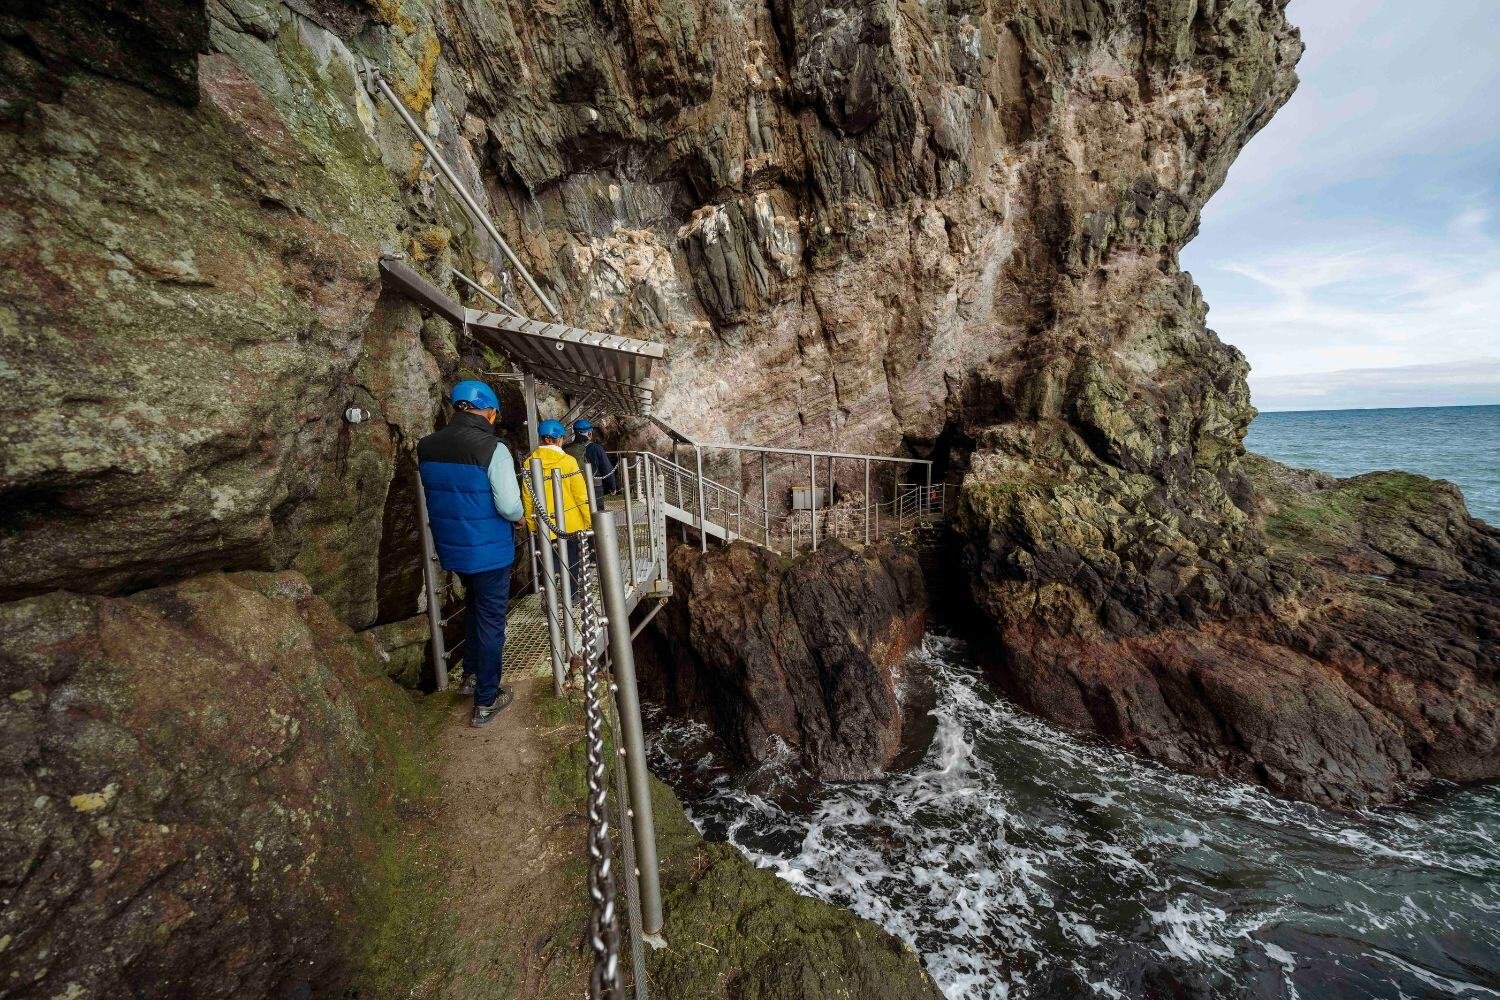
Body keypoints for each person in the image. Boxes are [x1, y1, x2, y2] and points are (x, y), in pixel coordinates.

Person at [417, 380, 524, 727]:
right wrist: (521, 517)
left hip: (453, 549)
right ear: (490, 413)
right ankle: (486, 701)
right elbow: (508, 505)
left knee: (475, 607)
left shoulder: (427, 447)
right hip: (489, 551)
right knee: (492, 620)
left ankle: (471, 676)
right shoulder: (494, 449)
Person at [522, 419, 592, 600]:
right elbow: (580, 495)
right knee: (572, 561)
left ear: (542, 439)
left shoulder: (529, 463)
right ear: (560, 439)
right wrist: (588, 521)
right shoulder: (568, 462)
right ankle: (573, 595)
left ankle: (550, 599)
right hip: (571, 524)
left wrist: (532, 525)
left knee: (549, 562)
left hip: (544, 525)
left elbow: (528, 498)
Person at [568, 418, 617, 495]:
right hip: (594, 487)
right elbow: (606, 468)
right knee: (596, 507)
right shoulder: (596, 448)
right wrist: (612, 487)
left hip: (573, 487)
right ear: (590, 433)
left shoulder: (567, 449)